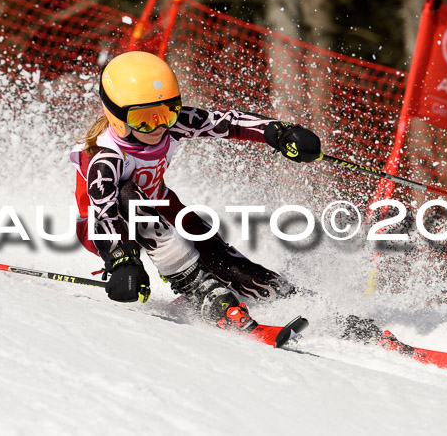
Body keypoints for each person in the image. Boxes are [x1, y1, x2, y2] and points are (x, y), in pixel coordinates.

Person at [70, 51, 322, 331]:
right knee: (129, 194)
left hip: (159, 206)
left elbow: (225, 122)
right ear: (117, 117)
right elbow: (103, 212)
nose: (159, 126)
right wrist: (121, 259)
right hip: (106, 229)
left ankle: (292, 300)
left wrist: (277, 132)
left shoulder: (170, 126)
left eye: (168, 112)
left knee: (214, 249)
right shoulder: (106, 158)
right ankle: (195, 285)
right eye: (144, 119)